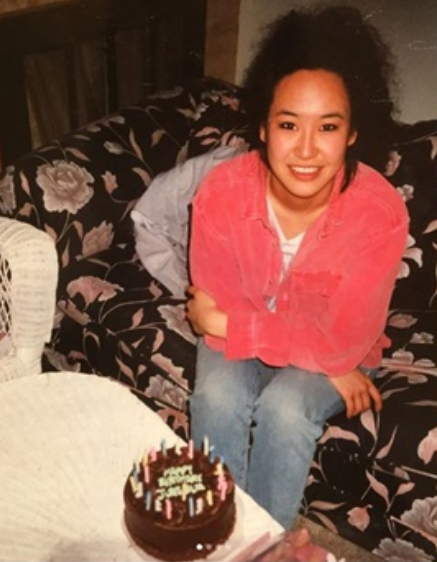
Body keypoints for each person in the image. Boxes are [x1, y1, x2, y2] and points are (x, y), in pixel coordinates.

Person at [186, 4, 409, 529]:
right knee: (215, 395)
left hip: (317, 345)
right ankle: (213, 536)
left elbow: (341, 340)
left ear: (352, 133)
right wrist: (324, 354)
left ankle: (263, 544)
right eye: (289, 124)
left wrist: (333, 357)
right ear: (264, 127)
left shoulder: (379, 213)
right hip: (284, 343)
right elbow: (216, 320)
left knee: (286, 410)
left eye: (328, 126)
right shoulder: (220, 193)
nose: (306, 150)